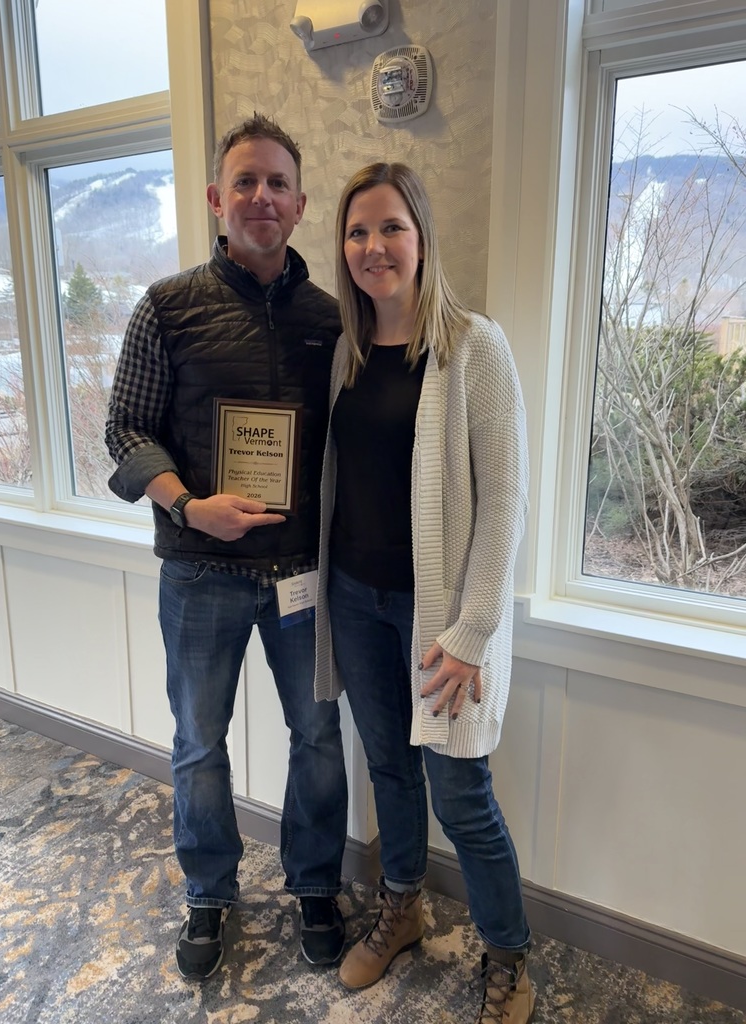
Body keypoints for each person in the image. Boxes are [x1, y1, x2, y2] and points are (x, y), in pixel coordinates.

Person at [105, 113, 348, 981]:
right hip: (200, 572)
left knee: (318, 739)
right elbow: (124, 429)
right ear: (217, 198)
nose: (261, 197)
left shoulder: (332, 319)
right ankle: (209, 892)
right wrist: (186, 504)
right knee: (199, 744)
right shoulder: (167, 307)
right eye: (244, 181)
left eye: (277, 183)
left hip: (302, 579)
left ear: (299, 203)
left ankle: (316, 884)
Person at [313, 162, 534, 1024]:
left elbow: (507, 501)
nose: (373, 246)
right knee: (388, 770)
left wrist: (472, 630)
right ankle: (401, 905)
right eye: (358, 231)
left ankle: (509, 956)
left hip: (440, 621)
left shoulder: (476, 347)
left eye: (390, 227)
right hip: (357, 601)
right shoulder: (346, 351)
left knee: (461, 794)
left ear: (421, 237)